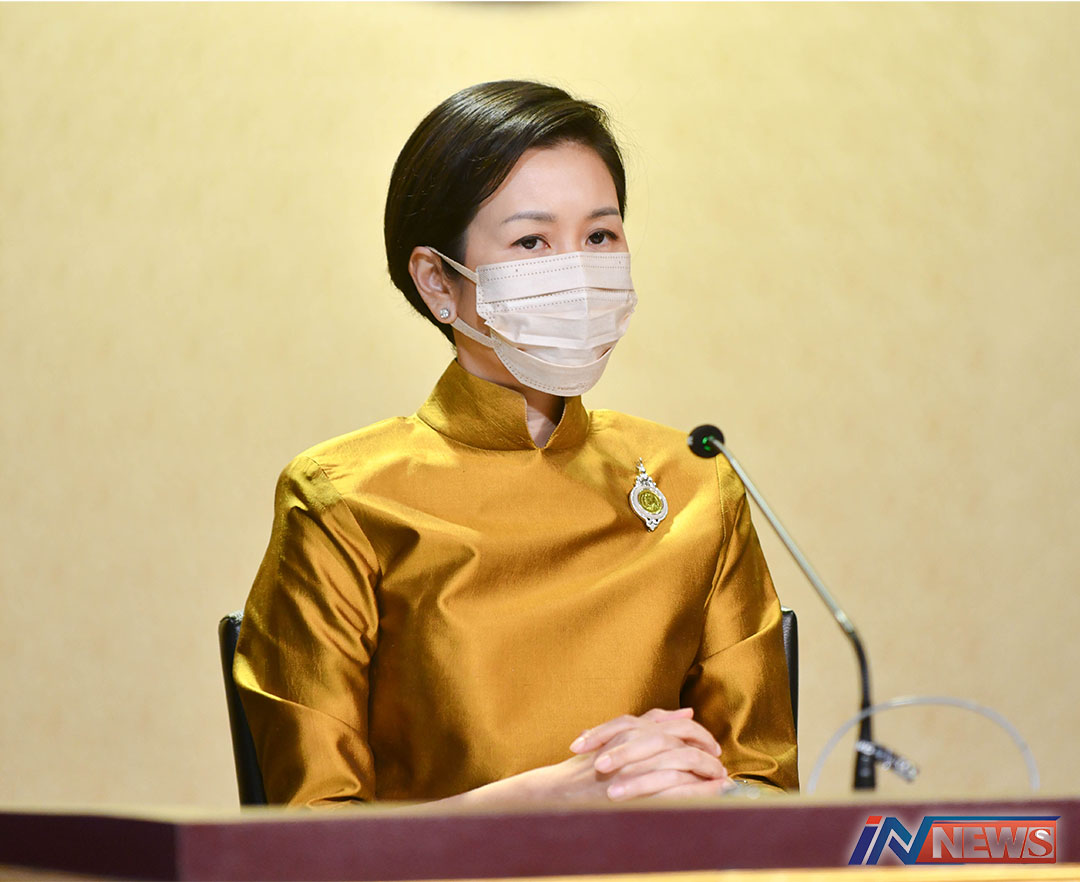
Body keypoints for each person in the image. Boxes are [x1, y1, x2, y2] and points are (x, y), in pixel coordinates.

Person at [234, 80, 798, 808]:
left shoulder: (693, 480)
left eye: (600, 237)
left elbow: (764, 789)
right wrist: (549, 804)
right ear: (438, 281)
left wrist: (700, 792)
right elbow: (313, 831)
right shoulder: (343, 497)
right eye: (532, 241)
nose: (578, 272)